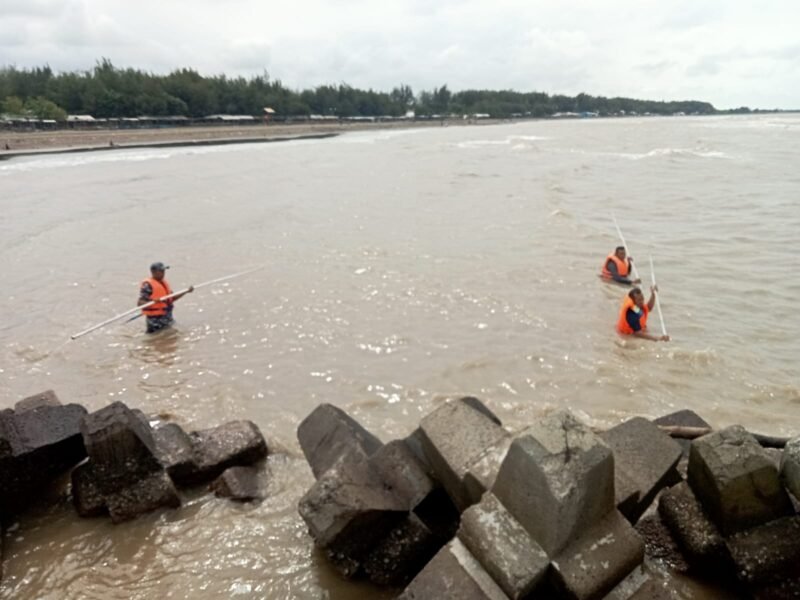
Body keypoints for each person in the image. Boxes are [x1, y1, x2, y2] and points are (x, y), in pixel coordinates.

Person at [138, 262, 193, 333]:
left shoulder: (163, 283)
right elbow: (140, 303)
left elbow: (172, 298)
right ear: (153, 272)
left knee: (173, 336)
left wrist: (186, 291)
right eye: (161, 271)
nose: (163, 273)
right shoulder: (147, 285)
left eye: (163, 271)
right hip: (155, 320)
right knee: (155, 337)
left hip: (168, 318)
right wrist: (153, 302)